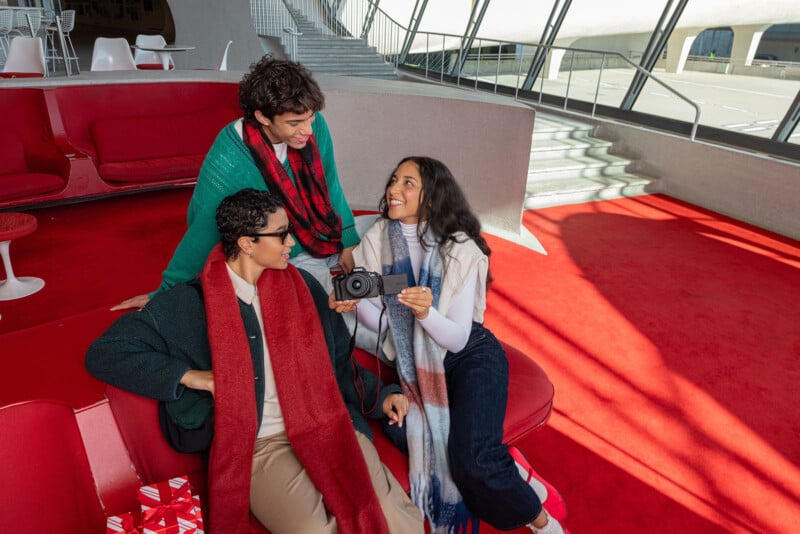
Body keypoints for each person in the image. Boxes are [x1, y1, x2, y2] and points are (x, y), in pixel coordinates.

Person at [87, 189, 423, 534]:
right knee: (313, 530)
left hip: (326, 420)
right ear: (247, 243)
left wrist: (383, 396)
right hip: (257, 444)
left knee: (384, 512)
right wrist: (192, 377)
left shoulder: (305, 286)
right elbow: (107, 352)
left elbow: (337, 363)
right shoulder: (188, 305)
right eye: (281, 234)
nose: (292, 242)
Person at [329, 157, 568, 534]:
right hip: (413, 362)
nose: (394, 189)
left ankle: (543, 523)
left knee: (472, 460)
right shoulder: (377, 240)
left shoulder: (460, 249)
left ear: (433, 194)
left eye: (408, 183)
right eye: (394, 180)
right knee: (415, 433)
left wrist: (426, 315)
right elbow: (388, 327)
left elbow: (457, 336)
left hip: (469, 353)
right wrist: (355, 306)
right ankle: (510, 467)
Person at [112, 56, 360, 311]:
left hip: (321, 229)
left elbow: (329, 184)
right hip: (285, 251)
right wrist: (166, 293)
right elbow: (204, 229)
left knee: (381, 233)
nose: (308, 130)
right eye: (295, 123)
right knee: (332, 309)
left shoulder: (314, 125)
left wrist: (349, 238)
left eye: (310, 117)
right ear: (263, 117)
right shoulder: (230, 158)